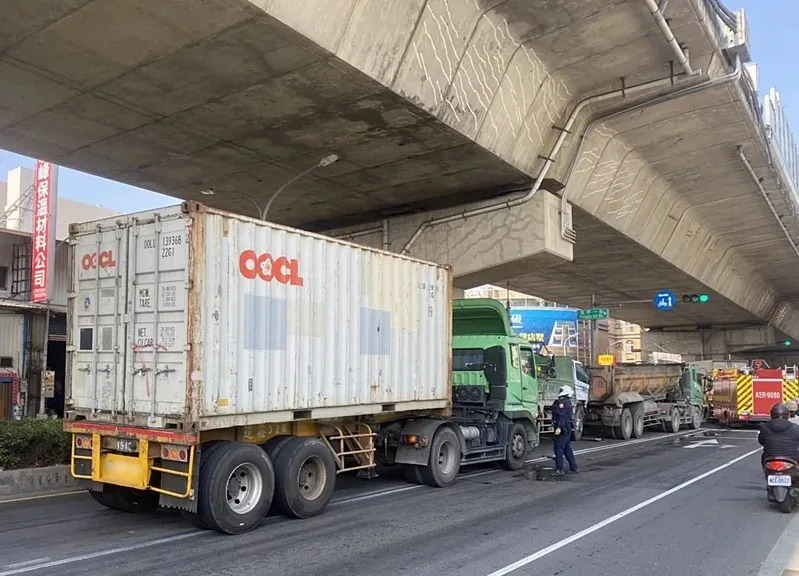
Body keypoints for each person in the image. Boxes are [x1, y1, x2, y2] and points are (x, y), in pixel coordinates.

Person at [552, 385, 579, 475]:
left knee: (559, 447)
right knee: (567, 448)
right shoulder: (567, 402)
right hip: (567, 427)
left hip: (563, 427)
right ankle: (574, 467)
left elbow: (562, 416)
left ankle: (559, 469)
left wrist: (559, 428)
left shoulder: (562, 403)